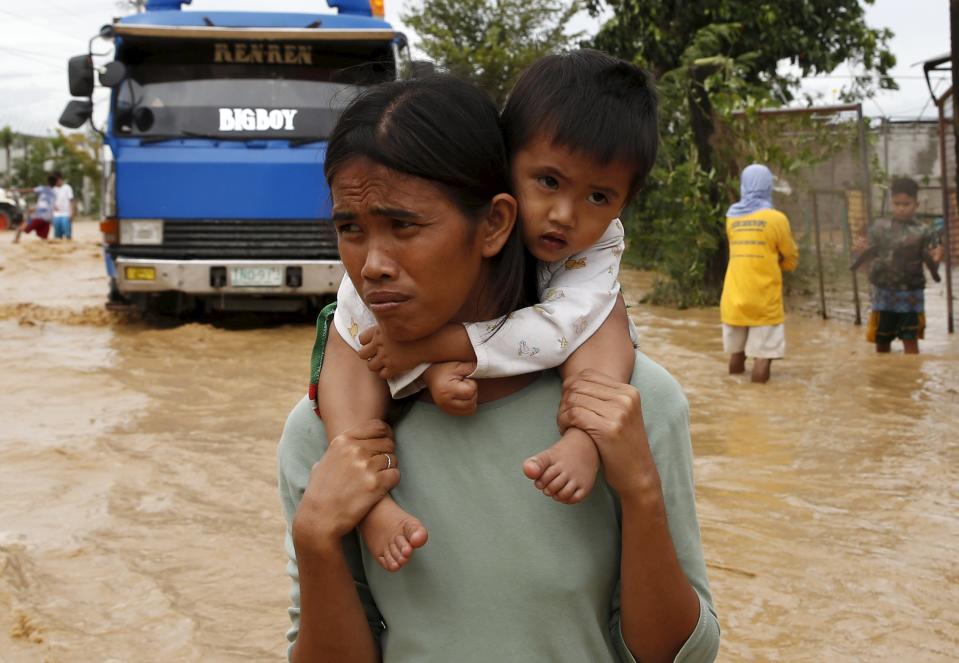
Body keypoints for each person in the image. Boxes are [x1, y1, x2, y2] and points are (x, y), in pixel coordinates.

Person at [278, 75, 719, 662]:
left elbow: (683, 657)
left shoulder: (630, 409)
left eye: (404, 225)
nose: (373, 264)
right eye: (349, 229)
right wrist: (315, 541)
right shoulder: (322, 439)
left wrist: (639, 490)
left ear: (493, 224)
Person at [313, 50, 656, 572]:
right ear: (508, 159)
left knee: (606, 317)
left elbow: (563, 328)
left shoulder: (594, 245)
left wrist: (433, 348)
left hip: (561, 338)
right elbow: (359, 336)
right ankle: (364, 490)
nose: (563, 215)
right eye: (547, 181)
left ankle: (585, 435)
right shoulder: (403, 250)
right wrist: (426, 376)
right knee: (346, 335)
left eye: (599, 197)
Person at [719, 164, 799, 383]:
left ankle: (735, 395)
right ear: (767, 186)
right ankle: (757, 405)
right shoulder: (777, 219)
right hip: (764, 300)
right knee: (763, 356)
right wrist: (782, 264)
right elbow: (790, 256)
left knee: (737, 354)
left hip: (734, 298)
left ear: (744, 185)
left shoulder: (732, 218)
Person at [855, 176, 943, 354]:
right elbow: (865, 257)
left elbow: (935, 255)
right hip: (883, 293)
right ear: (891, 203)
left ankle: (911, 378)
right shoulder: (878, 228)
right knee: (881, 341)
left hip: (911, 293)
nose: (901, 208)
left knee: (910, 339)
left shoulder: (925, 230)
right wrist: (859, 249)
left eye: (906, 204)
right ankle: (882, 378)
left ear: (916, 204)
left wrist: (937, 255)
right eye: (897, 204)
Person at [12, 175, 57, 243]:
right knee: (44, 237)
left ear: (47, 181)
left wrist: (17, 190)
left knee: (22, 228)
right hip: (47, 218)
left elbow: (29, 190)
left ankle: (16, 240)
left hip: (38, 216)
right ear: (56, 183)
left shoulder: (42, 188)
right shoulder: (55, 193)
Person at [52, 171, 75, 240]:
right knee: (57, 237)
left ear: (60, 179)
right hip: (56, 215)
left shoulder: (67, 188)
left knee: (68, 235)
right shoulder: (53, 189)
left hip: (66, 214)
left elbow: (71, 201)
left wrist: (72, 213)